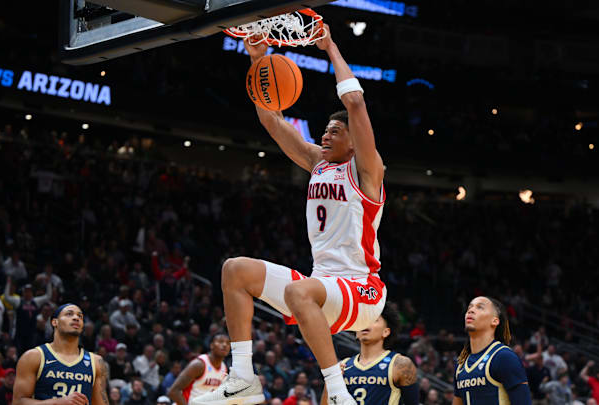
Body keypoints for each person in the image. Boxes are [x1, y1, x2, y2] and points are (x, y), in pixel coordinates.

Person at [192, 24, 387, 405]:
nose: (325, 136)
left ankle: (338, 394)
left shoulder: (367, 171)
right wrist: (258, 58)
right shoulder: (317, 162)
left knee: (299, 291)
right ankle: (244, 376)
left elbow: (357, 104)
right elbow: (272, 120)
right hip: (322, 286)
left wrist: (329, 46)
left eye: (334, 132)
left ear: (353, 140)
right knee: (235, 269)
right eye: (325, 132)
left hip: (362, 290)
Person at [320, 304, 418, 405]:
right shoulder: (343, 366)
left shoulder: (401, 364)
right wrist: (331, 381)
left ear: (386, 332)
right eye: (363, 320)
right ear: (356, 332)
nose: (366, 324)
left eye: (374, 320)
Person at [11, 303, 109, 405]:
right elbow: (18, 402)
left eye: (80, 316)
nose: (76, 318)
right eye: (69, 314)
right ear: (54, 322)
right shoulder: (33, 357)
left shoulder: (96, 362)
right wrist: (58, 402)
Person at [452, 296, 531, 405]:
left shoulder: (504, 357)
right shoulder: (461, 364)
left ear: (494, 321)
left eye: (480, 307)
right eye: (469, 308)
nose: (470, 310)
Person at [168, 333, 230, 405]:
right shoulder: (199, 364)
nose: (225, 345)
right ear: (211, 345)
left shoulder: (224, 368)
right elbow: (173, 391)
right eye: (220, 342)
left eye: (228, 343)